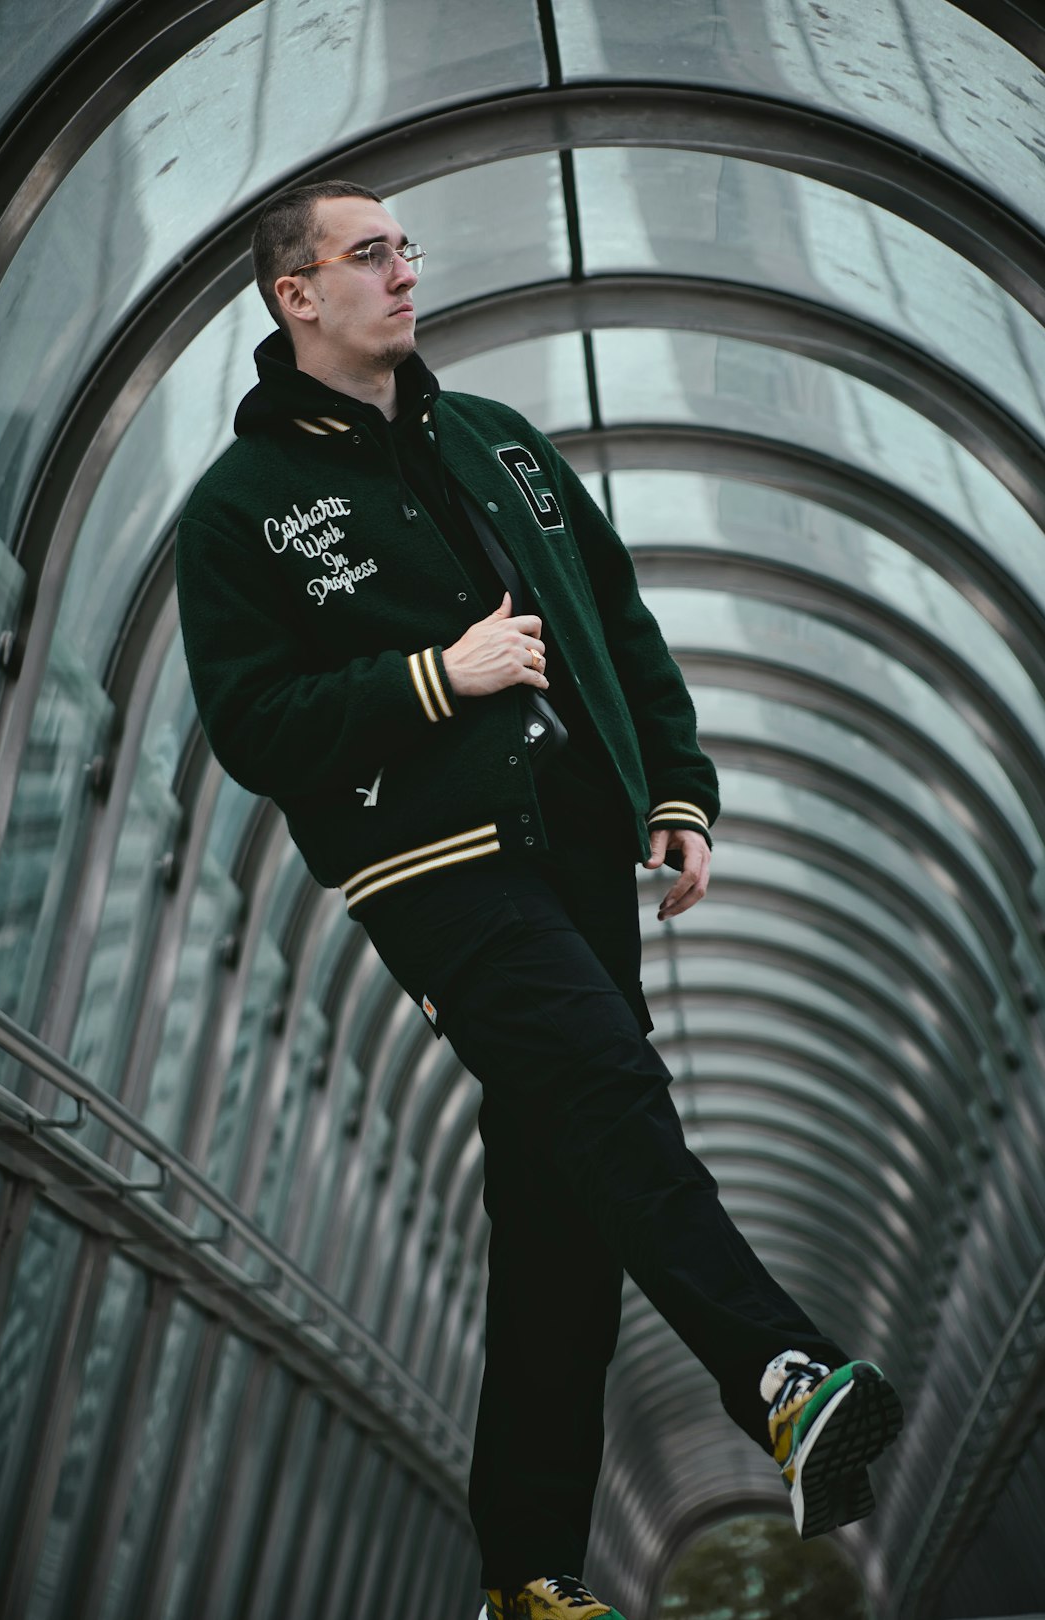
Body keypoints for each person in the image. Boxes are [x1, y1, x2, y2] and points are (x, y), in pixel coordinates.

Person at [176, 179, 903, 1620]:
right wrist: (438, 677)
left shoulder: (500, 445)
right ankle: (781, 1372)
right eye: (367, 253)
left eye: (407, 248)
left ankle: (527, 1576)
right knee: (608, 1085)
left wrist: (676, 793)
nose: (403, 270)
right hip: (434, 870)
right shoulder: (241, 511)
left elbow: (616, 620)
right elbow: (257, 726)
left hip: (576, 850)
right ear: (295, 296)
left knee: (565, 1197)